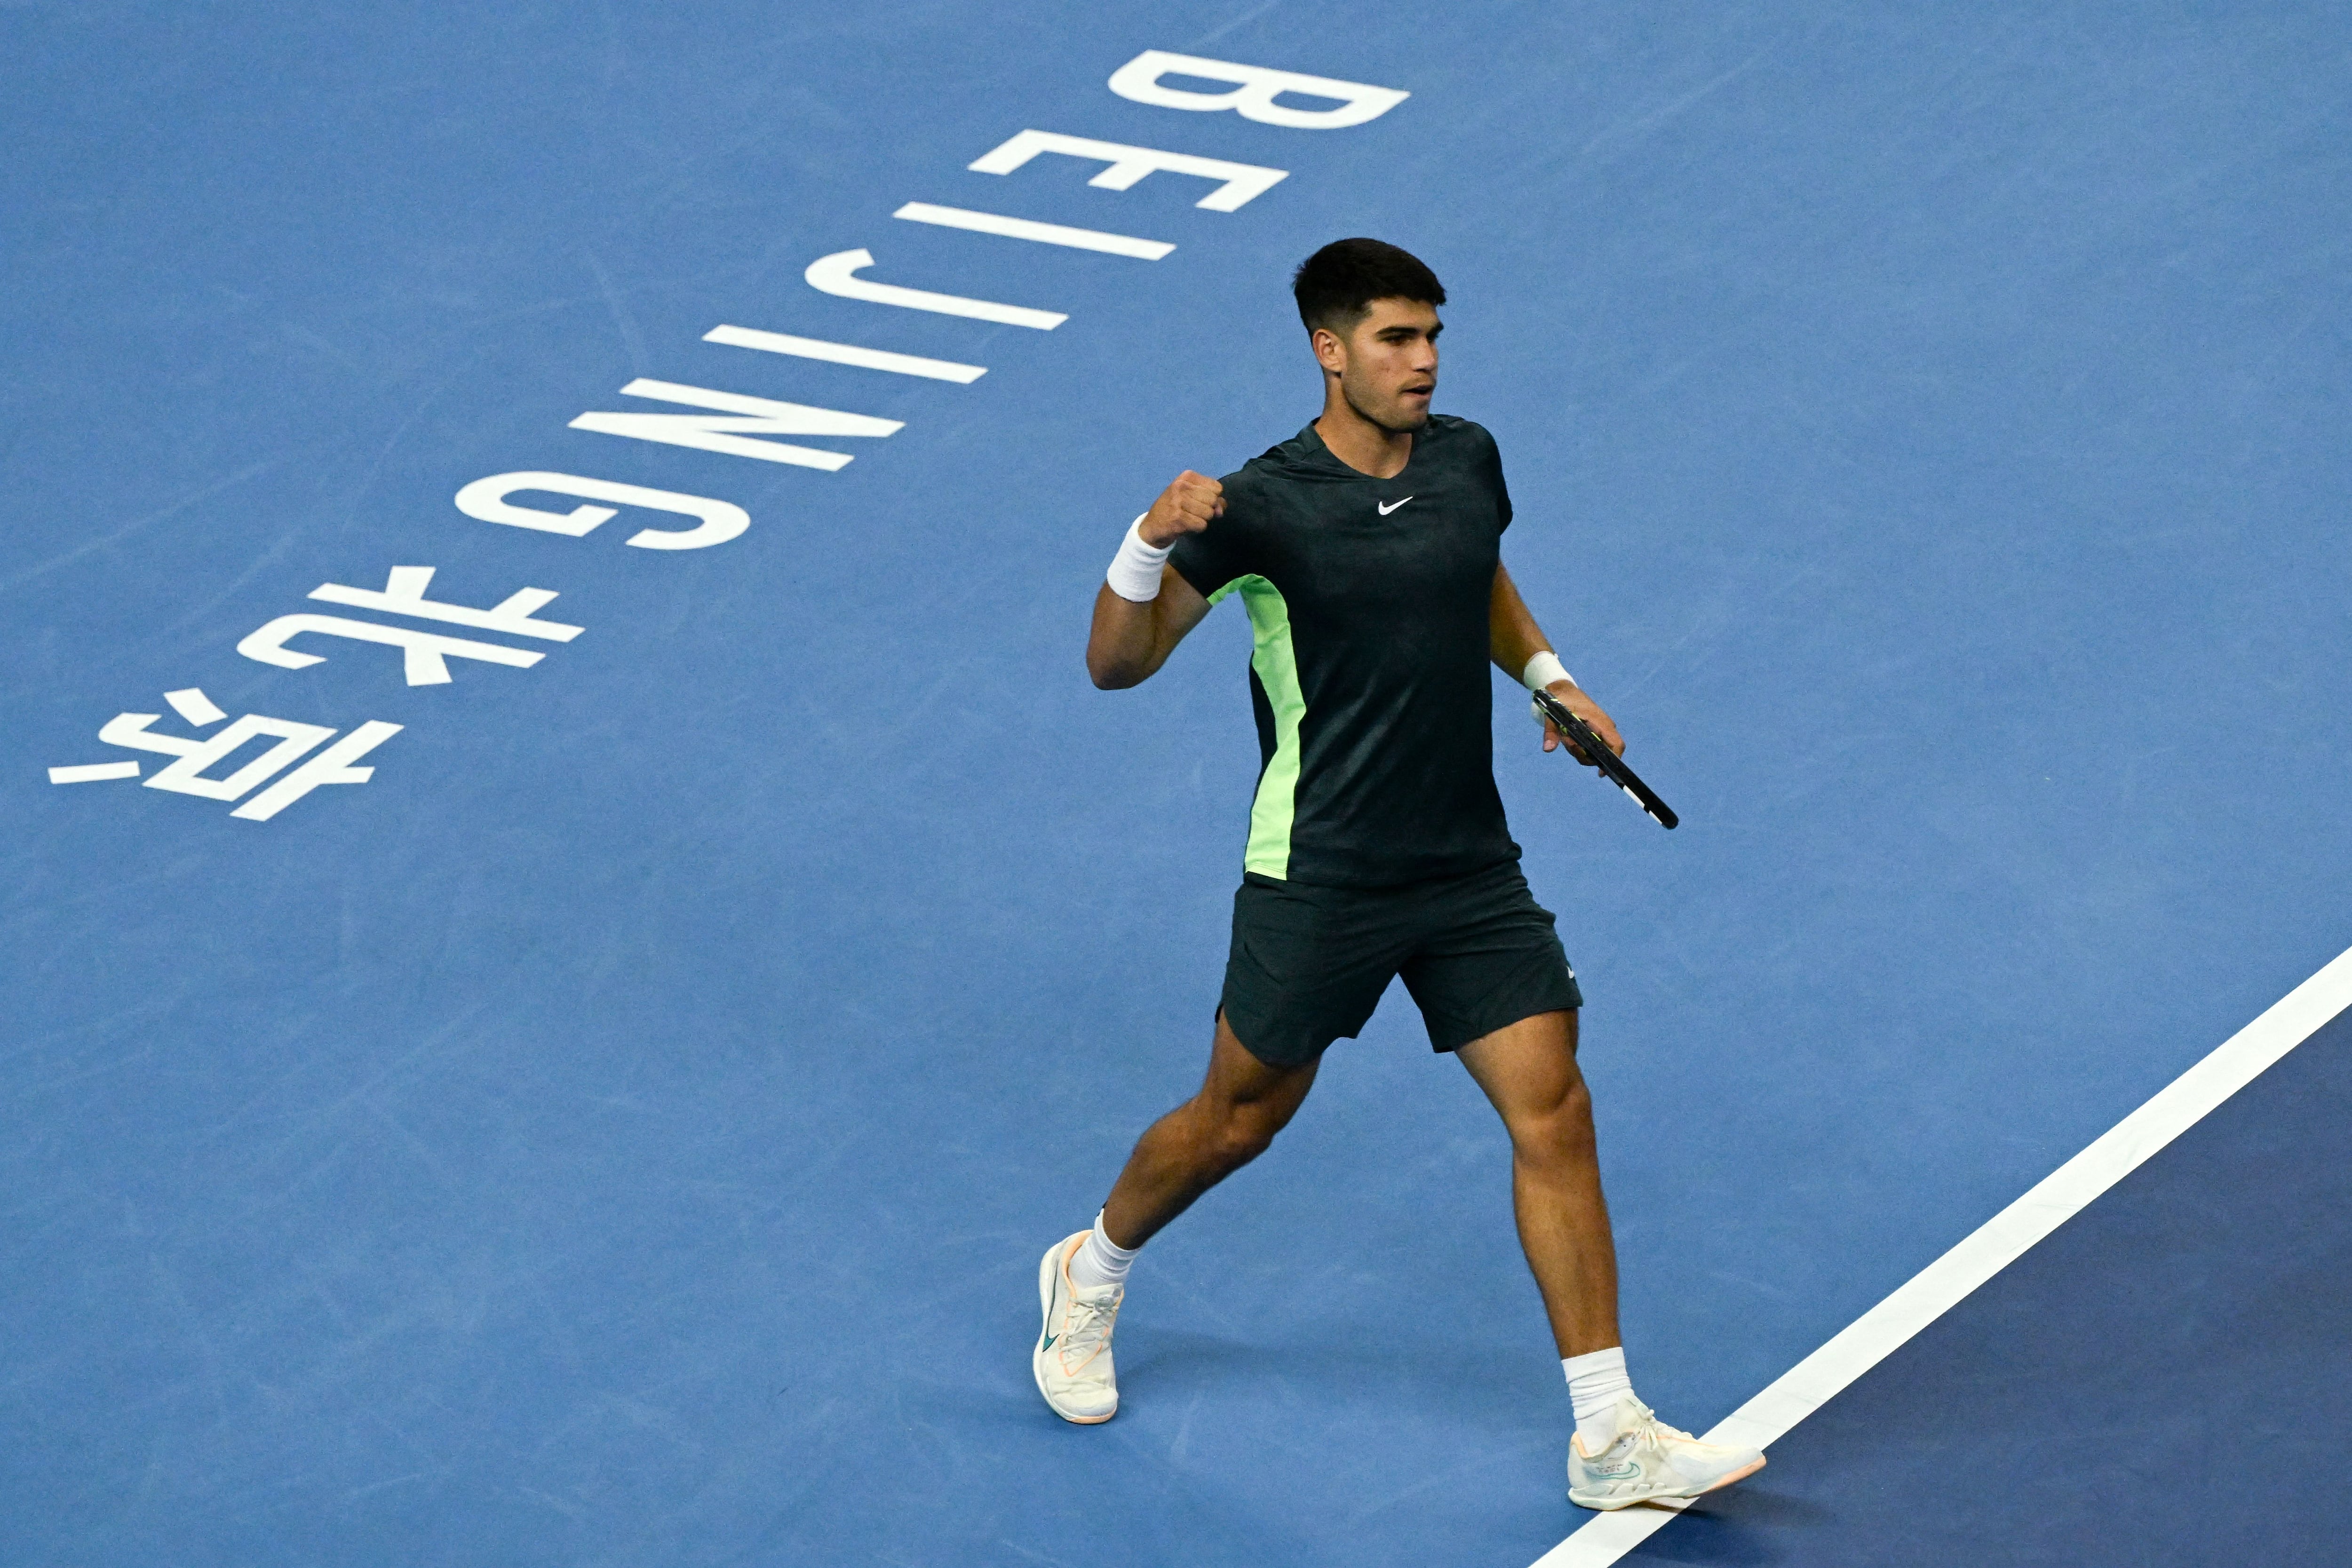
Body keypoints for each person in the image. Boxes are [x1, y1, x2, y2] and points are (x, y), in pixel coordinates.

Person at [1033, 238, 1764, 1512]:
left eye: (1433, 338)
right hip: (1320, 872)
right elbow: (1116, 663)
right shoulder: (1261, 507)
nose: (1424, 362)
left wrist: (1547, 676)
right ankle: (1091, 1271)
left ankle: (1610, 1435)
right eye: (1395, 340)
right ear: (1331, 350)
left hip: (1465, 864)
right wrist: (1144, 540)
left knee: (1556, 1109)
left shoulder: (1466, 460)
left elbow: (1472, 568)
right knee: (1238, 1123)